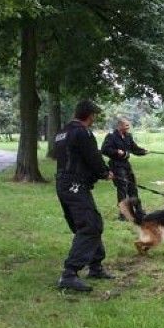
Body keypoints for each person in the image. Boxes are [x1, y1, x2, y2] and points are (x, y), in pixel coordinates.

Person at [55, 99, 115, 291]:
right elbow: (93, 157)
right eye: (94, 115)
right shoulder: (83, 133)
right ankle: (69, 273)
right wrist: (105, 172)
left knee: (89, 223)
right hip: (75, 184)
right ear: (91, 116)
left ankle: (96, 266)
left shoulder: (62, 132)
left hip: (63, 183)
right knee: (90, 225)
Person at [101, 117, 148, 219]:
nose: (128, 127)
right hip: (116, 165)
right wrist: (116, 151)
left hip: (126, 165)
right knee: (122, 187)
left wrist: (144, 151)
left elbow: (134, 148)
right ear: (120, 126)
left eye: (128, 125)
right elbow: (104, 149)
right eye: (126, 125)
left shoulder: (128, 136)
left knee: (133, 187)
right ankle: (123, 213)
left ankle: (139, 211)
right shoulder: (111, 137)